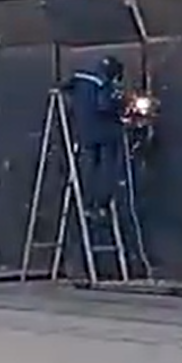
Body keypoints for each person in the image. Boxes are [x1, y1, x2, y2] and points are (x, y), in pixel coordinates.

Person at [61, 56, 126, 243]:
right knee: (109, 169)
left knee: (90, 168)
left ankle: (88, 204)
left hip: (83, 133)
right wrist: (119, 108)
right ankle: (101, 205)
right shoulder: (102, 83)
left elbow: (63, 89)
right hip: (104, 133)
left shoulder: (79, 80)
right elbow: (104, 105)